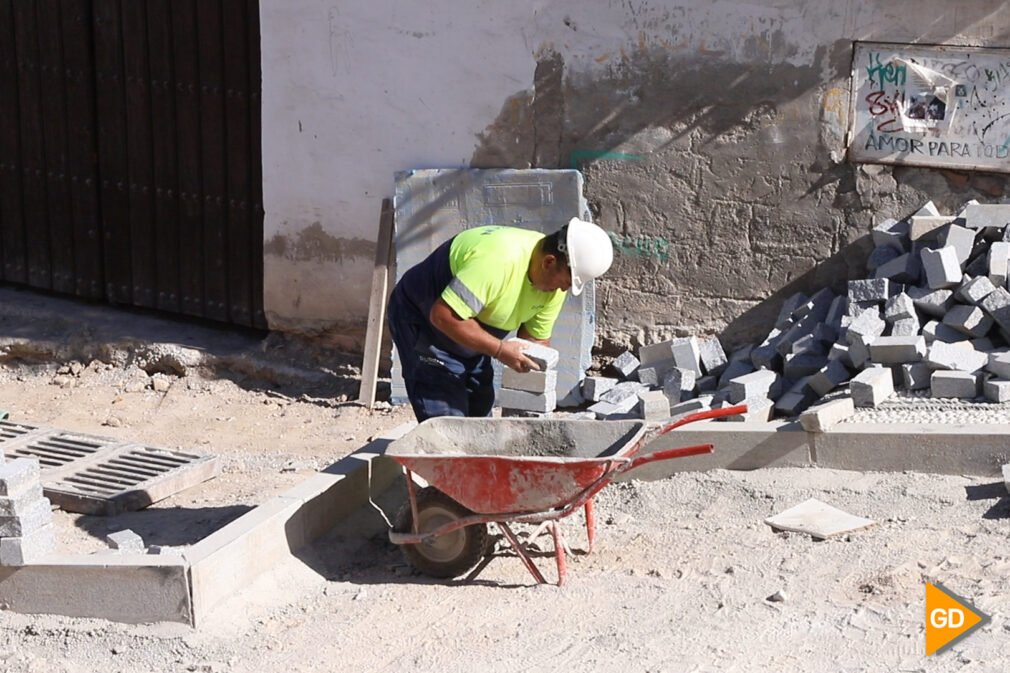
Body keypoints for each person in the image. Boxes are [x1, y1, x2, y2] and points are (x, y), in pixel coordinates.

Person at [387, 218, 614, 422]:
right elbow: (444, 316)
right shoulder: (498, 261)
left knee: (480, 407)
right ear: (549, 262)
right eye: (566, 281)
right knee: (447, 416)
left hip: (469, 325)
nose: (565, 289)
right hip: (424, 318)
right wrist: (499, 349)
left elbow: (534, 342)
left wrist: (534, 393)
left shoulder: (553, 288)